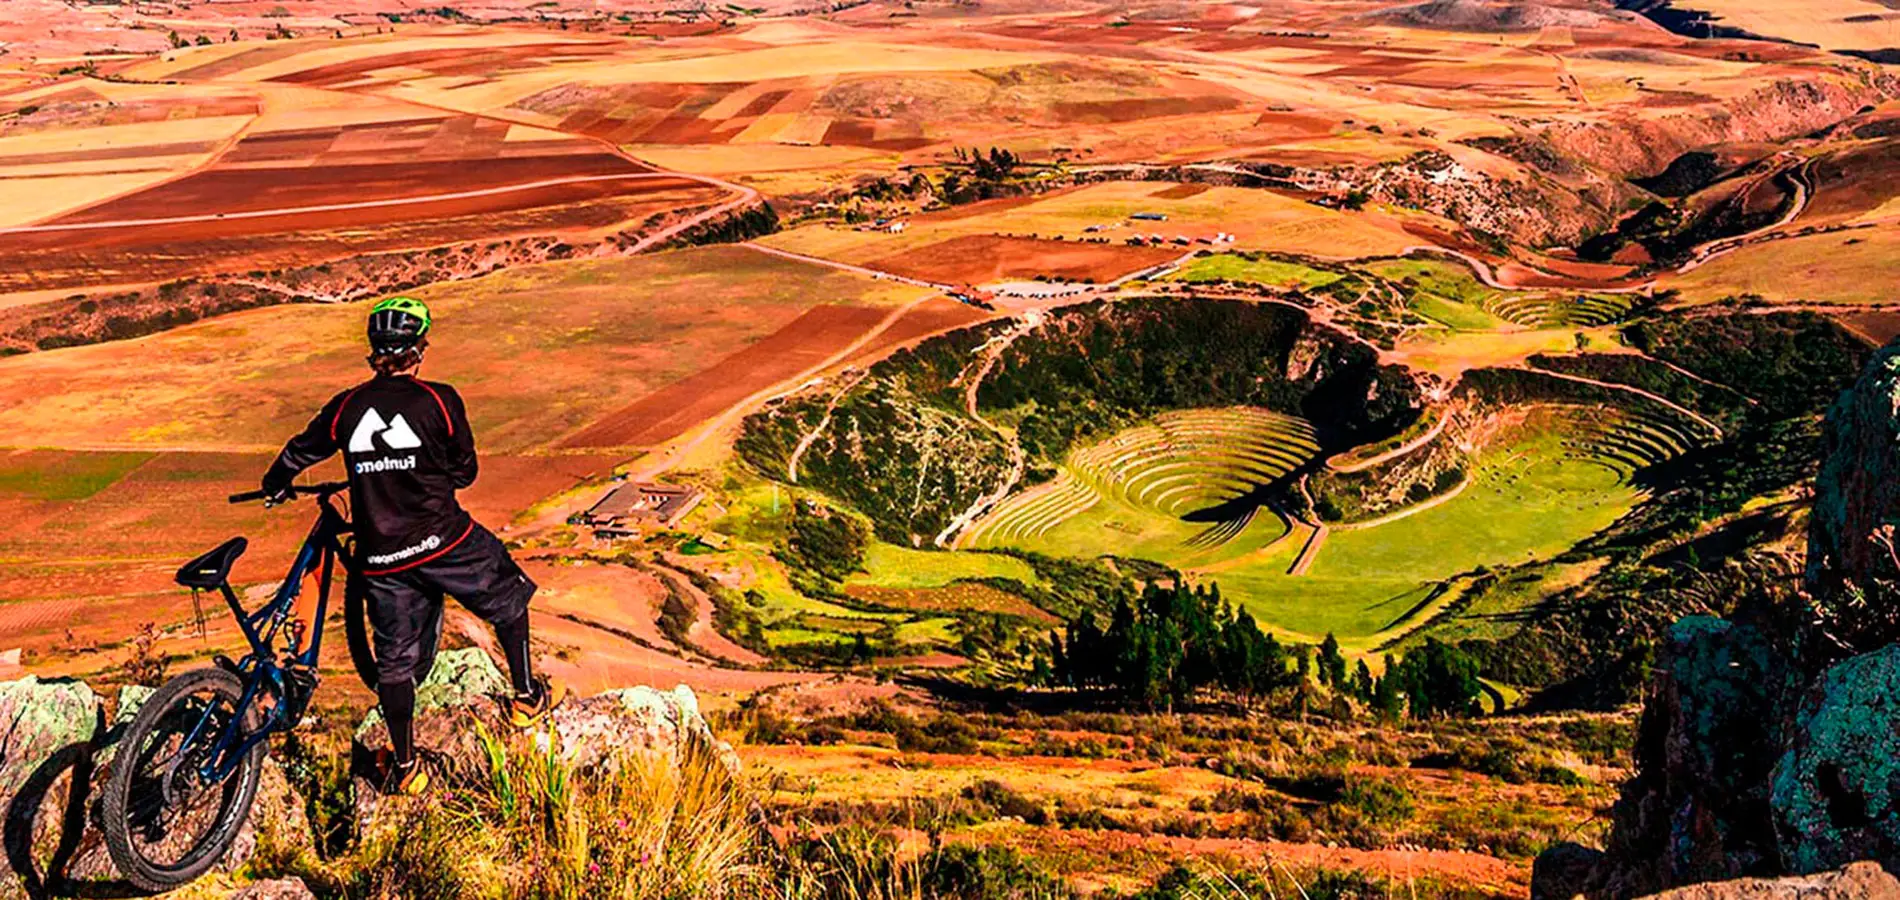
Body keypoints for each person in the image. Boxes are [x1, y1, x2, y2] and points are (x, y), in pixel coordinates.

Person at [260, 296, 563, 795]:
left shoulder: (347, 407)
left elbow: (298, 452)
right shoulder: (439, 400)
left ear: (374, 352)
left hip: (380, 560)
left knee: (394, 663)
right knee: (507, 596)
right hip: (445, 540)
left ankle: (404, 768)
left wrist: (276, 481)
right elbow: (466, 472)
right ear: (418, 350)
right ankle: (527, 697)